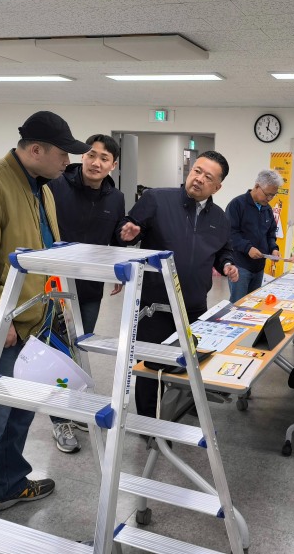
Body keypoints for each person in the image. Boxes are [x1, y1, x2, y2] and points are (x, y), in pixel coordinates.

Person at [0, 110, 90, 514]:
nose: (68, 162)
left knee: (18, 415)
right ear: (36, 150)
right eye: (63, 153)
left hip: (33, 322)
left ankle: (8, 485)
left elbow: (42, 253)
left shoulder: (41, 189)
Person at [118, 151, 239, 417]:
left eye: (208, 177)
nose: (199, 179)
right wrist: (128, 233)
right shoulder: (157, 199)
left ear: (217, 187)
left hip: (193, 306)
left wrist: (227, 264)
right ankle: (148, 422)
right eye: (197, 171)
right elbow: (128, 228)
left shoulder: (220, 218)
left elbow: (223, 250)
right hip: (154, 304)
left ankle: (181, 409)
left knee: (188, 362)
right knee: (150, 367)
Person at [44, 133, 125, 454]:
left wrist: (116, 269)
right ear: (83, 156)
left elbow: (115, 238)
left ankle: (72, 407)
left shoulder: (115, 198)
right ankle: (58, 419)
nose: (96, 162)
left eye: (104, 158)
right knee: (59, 353)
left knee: (79, 350)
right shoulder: (55, 186)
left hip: (90, 287)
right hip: (55, 286)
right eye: (91, 155)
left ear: (113, 165)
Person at [224, 169, 283, 302]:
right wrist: (248, 248)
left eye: (273, 195)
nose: (269, 199)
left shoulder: (267, 209)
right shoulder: (237, 205)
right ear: (257, 186)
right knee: (238, 304)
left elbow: (270, 233)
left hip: (259, 267)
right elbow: (230, 233)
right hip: (240, 266)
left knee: (253, 304)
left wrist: (274, 248)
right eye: (267, 194)